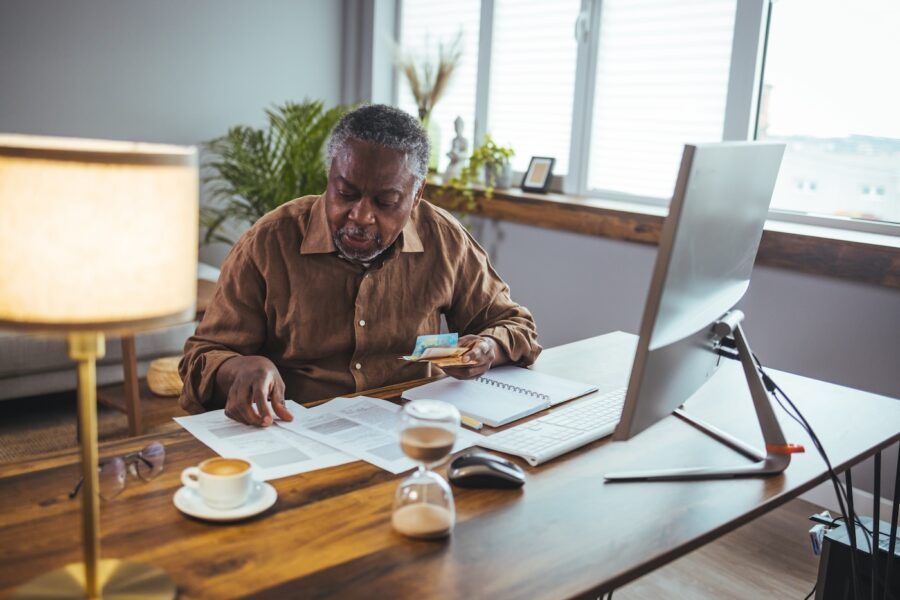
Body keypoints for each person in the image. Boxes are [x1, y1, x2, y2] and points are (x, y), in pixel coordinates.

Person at [179, 104, 541, 426]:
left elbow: (515, 325)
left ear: (417, 194)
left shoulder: (444, 239)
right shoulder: (269, 241)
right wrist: (237, 368)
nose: (361, 216)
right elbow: (201, 357)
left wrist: (489, 348)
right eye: (346, 193)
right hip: (297, 429)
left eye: (385, 201)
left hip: (412, 430)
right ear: (330, 176)